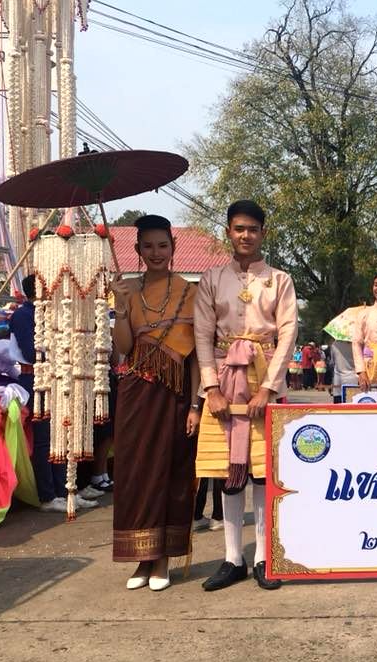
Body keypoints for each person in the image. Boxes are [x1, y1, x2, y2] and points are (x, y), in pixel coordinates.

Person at [195, 200, 297, 591]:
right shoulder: (211, 278)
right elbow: (202, 335)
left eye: (253, 229)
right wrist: (211, 389)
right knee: (228, 471)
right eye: (239, 228)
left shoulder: (280, 280)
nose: (246, 235)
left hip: (264, 377)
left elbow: (287, 333)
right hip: (223, 381)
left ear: (263, 233)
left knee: (263, 470)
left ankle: (263, 558)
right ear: (228, 232)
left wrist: (268, 388)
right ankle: (232, 558)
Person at [110, 215, 199, 591]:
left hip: (175, 395)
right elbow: (124, 347)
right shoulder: (128, 289)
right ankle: (141, 558)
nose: (156, 252)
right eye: (148, 246)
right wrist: (120, 307)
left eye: (163, 245)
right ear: (137, 250)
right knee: (134, 474)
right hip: (135, 394)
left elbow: (196, 357)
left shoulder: (190, 292)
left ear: (173, 247)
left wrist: (195, 406)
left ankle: (162, 558)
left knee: (170, 471)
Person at [9, 275, 98, 513]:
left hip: (59, 379)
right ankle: (48, 496)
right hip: (37, 381)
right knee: (45, 441)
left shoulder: (53, 314)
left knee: (64, 437)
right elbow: (32, 352)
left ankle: (66, 491)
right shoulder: (23, 315)